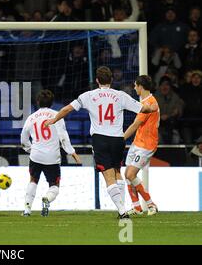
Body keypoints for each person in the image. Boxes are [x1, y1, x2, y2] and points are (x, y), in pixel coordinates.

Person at [44, 66, 157, 219]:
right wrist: (152, 108)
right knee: (117, 173)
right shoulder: (120, 95)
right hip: (118, 140)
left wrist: (53, 119)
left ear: (97, 80)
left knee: (108, 177)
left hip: (100, 139)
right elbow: (143, 109)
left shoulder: (88, 96)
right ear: (111, 80)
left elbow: (67, 110)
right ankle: (123, 209)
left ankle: (122, 211)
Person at [21, 90, 81, 217]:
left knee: (33, 181)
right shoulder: (57, 116)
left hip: (36, 155)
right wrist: (73, 153)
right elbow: (63, 137)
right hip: (52, 157)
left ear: (37, 102)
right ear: (52, 103)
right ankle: (47, 199)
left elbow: (23, 139)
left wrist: (30, 149)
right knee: (54, 185)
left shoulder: (31, 117)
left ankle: (27, 209)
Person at [123, 75, 159, 216]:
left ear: (140, 86)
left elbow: (135, 125)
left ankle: (151, 205)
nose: (134, 87)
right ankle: (137, 207)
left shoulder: (149, 103)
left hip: (146, 145)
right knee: (127, 174)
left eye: (135, 85)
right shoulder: (147, 101)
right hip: (138, 142)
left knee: (131, 174)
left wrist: (121, 139)